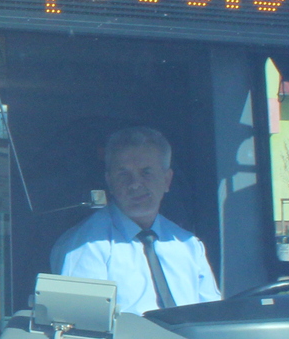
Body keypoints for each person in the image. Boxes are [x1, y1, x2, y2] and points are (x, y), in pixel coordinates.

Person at [51, 125, 221, 316]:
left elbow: (212, 319)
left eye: (146, 172)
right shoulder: (87, 246)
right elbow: (83, 330)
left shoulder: (188, 245)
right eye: (123, 174)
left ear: (167, 180)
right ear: (109, 181)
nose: (134, 184)